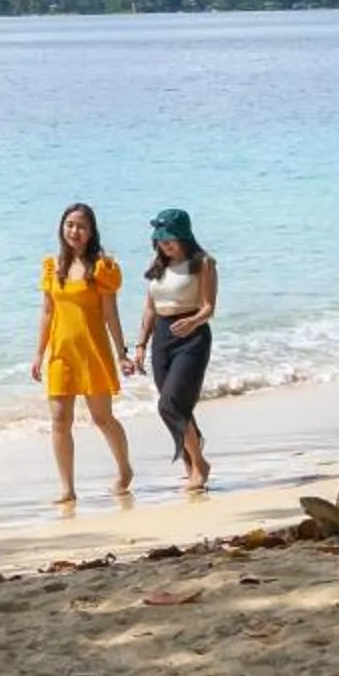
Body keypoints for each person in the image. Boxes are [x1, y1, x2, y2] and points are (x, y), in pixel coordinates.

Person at [31, 202, 134, 505]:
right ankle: (67, 488)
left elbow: (110, 314)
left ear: (91, 232)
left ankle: (124, 469)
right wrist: (39, 354)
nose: (74, 231)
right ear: (62, 228)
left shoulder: (102, 267)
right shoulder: (52, 266)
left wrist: (122, 353)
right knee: (60, 420)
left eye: (81, 226)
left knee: (102, 418)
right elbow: (48, 313)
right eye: (70, 225)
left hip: (92, 351)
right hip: (61, 352)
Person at [133, 207, 220, 490]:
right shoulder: (157, 265)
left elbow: (208, 308)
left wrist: (192, 322)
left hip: (192, 338)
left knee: (169, 403)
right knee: (178, 406)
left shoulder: (203, 264)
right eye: (160, 238)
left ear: (185, 236)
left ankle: (200, 464)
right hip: (161, 338)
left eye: (170, 238)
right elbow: (149, 310)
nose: (165, 244)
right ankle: (191, 461)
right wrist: (140, 346)